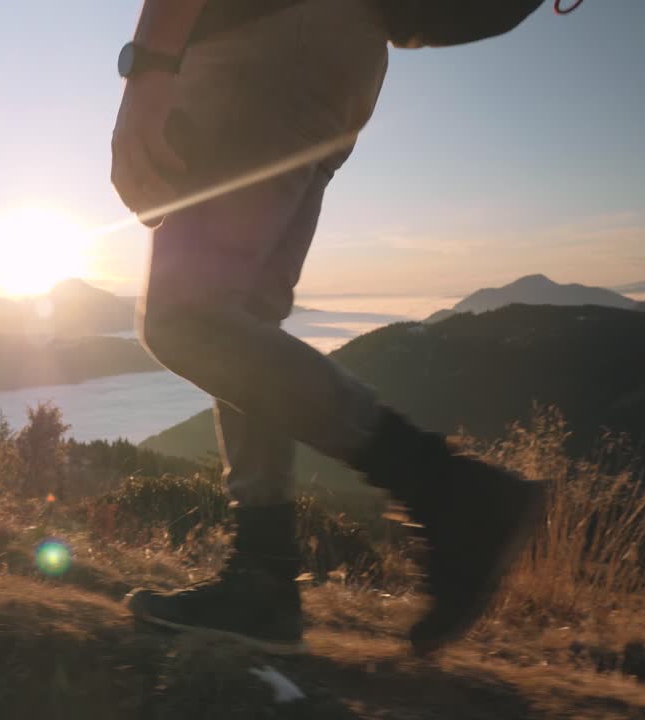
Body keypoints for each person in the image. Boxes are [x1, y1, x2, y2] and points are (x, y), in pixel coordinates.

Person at [111, 0, 545, 656]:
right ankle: (263, 577)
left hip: (267, 32)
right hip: (349, 54)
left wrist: (147, 68)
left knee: (185, 319)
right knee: (239, 320)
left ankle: (451, 490)